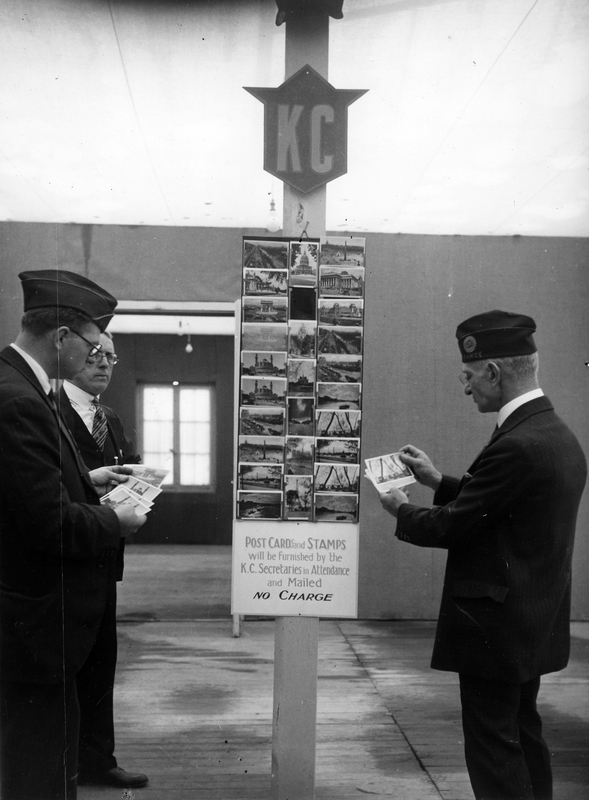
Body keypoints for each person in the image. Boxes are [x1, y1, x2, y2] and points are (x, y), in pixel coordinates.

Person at [379, 309, 587, 800]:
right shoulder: (554, 435)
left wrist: (400, 507)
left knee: (493, 747)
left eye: (469, 375)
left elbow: (457, 526)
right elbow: (500, 504)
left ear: (493, 372)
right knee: (522, 731)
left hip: (495, 628)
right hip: (533, 620)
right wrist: (438, 481)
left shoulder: (516, 445)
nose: (465, 386)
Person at [0, 270, 147, 800]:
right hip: (35, 613)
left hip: (42, 611)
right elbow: (46, 523)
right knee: (37, 766)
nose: (97, 357)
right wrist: (118, 520)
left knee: (47, 753)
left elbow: (27, 488)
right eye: (91, 344)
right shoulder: (19, 399)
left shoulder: (19, 385)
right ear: (61, 337)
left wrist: (88, 480)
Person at [59, 331, 148, 789]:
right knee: (67, 664)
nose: (105, 365)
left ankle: (98, 758)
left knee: (101, 661)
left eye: (111, 358)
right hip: (64, 557)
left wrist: (141, 484)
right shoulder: (48, 410)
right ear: (70, 353)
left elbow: (123, 467)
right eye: (96, 355)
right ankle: (66, 763)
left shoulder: (108, 416)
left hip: (104, 556)